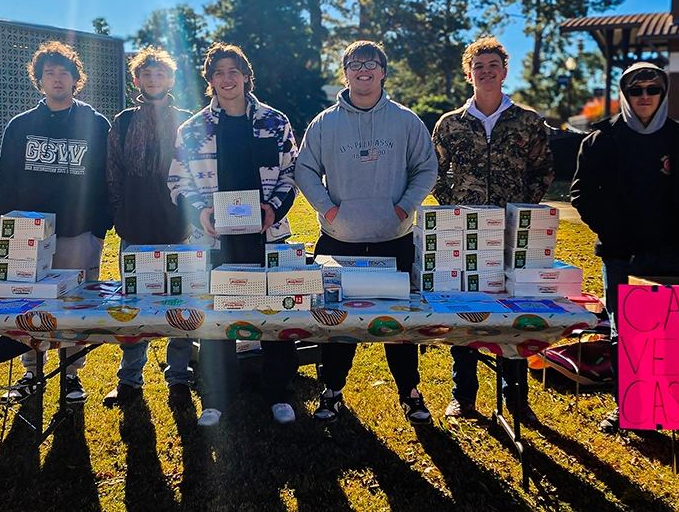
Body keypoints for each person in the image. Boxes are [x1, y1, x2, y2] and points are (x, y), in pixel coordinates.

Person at [295, 40, 439, 426]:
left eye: (371, 63)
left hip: (394, 238)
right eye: (355, 64)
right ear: (345, 73)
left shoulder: (406, 120)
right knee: (336, 320)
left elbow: (427, 167)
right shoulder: (324, 123)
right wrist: (328, 209)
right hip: (339, 240)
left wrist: (402, 207)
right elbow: (304, 169)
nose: (363, 70)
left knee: (400, 321)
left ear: (383, 71)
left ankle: (410, 392)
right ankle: (332, 391)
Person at [569, 62, 679, 433]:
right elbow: (582, 194)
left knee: (677, 334)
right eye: (636, 90)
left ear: (663, 93)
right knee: (626, 335)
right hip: (622, 256)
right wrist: (613, 233)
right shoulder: (602, 140)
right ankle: (630, 406)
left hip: (672, 255)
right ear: (625, 95)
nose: (645, 96)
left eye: (653, 89)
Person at [168, 42, 300, 427]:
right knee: (214, 318)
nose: (227, 79)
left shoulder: (275, 122)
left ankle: (279, 392)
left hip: (267, 236)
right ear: (210, 80)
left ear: (246, 76)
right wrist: (201, 212)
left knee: (277, 313)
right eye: (219, 73)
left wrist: (273, 209)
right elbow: (178, 181)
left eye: (234, 71)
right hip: (214, 241)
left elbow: (292, 173)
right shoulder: (192, 130)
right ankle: (217, 396)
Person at [431, 37, 554, 424]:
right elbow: (433, 170)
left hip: (511, 234)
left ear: (504, 71)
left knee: (514, 312)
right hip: (465, 233)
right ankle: (463, 396)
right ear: (469, 75)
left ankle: (516, 398)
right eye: (478, 67)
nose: (486, 72)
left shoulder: (528, 122)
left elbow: (543, 170)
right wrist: (454, 205)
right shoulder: (450, 124)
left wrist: (521, 209)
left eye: (492, 66)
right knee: (465, 309)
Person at [0, 41, 112, 405]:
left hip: (79, 232)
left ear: (76, 79)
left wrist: (98, 229)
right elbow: (6, 180)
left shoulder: (96, 124)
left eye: (65, 72)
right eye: (50, 72)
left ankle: (71, 375)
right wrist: (10, 231)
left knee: (75, 305)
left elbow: (107, 179)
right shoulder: (20, 126)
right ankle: (31, 371)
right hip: (29, 236)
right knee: (28, 305)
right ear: (39, 80)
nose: (57, 78)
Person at [103, 47, 196, 408]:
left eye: (160, 74)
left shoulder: (187, 121)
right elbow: (113, 169)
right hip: (135, 224)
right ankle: (129, 379)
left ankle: (179, 377)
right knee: (133, 305)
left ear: (170, 79)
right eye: (146, 74)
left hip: (178, 225)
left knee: (181, 303)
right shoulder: (124, 120)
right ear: (136, 79)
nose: (153, 80)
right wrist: (120, 210)